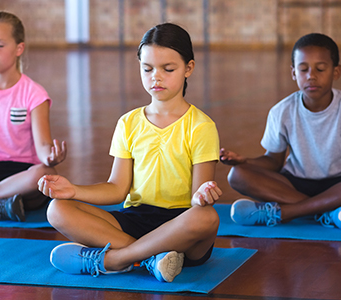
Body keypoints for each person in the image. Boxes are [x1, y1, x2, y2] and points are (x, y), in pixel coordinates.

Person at [38, 23, 222, 282]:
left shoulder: (202, 126)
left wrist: (203, 197)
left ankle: (114, 259)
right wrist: (73, 190)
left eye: (167, 69)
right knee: (57, 209)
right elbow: (117, 188)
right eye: (147, 69)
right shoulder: (128, 122)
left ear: (188, 68)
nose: (156, 77)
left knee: (206, 217)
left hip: (181, 227)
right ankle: (149, 259)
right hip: (136, 218)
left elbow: (196, 201)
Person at [220, 33, 341, 230]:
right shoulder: (282, 111)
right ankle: (328, 213)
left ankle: (284, 212)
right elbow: (273, 161)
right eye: (303, 69)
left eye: (320, 69)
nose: (311, 76)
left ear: (336, 71)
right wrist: (245, 161)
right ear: (294, 73)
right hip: (295, 185)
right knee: (237, 175)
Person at [0, 11, 66, 222]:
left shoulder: (34, 93)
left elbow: (43, 148)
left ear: (19, 48)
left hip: (22, 173)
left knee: (45, 172)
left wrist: (51, 156)